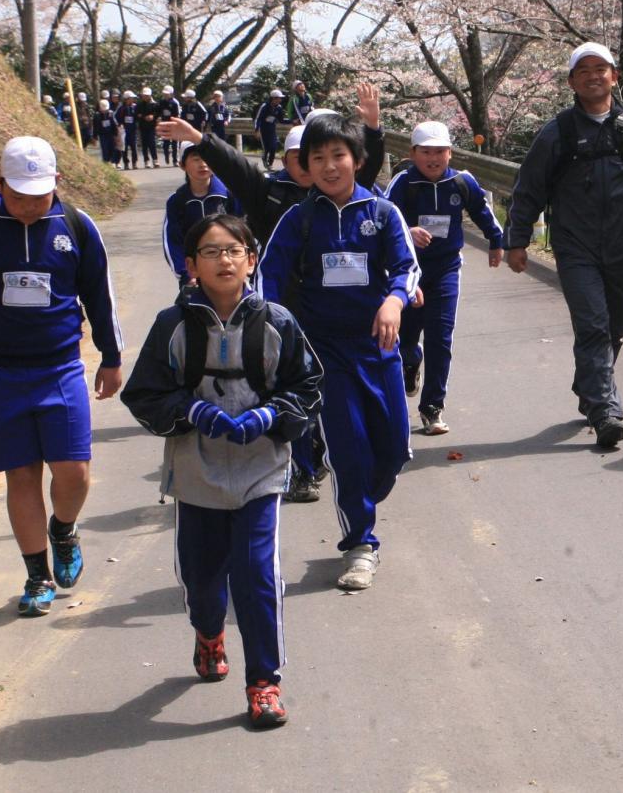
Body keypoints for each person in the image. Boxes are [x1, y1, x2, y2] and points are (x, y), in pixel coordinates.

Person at [122, 214, 322, 729]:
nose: (224, 259)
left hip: (261, 470)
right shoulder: (173, 326)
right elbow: (143, 393)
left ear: (251, 259)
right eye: (211, 252)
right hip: (196, 472)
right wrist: (193, 411)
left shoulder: (276, 322)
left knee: (256, 576)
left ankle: (264, 684)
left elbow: (307, 387)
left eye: (234, 249)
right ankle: (208, 633)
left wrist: (271, 414)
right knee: (201, 578)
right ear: (191, 266)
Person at [157, 84, 386, 504]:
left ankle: (323, 456)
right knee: (292, 394)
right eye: (305, 157)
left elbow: (364, 169)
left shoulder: (342, 195)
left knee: (335, 404)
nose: (317, 166)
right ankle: (301, 467)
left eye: (327, 156)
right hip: (283, 311)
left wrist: (372, 127)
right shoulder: (270, 195)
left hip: (335, 313)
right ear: (289, 159)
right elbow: (237, 168)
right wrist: (200, 140)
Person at [0, 136, 123, 616]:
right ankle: (36, 576)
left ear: (57, 184)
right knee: (20, 475)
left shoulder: (77, 228)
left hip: (60, 368)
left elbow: (99, 297)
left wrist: (111, 355)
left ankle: (63, 529)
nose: (28, 204)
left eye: (38, 194)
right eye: (17, 193)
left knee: (74, 470)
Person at [257, 114, 419, 590]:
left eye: (338, 156)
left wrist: (394, 299)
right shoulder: (299, 219)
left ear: (357, 160)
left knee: (392, 452)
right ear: (305, 166)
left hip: (380, 350)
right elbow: (267, 276)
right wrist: (277, 332)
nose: (329, 166)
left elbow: (406, 267)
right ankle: (360, 543)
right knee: (350, 450)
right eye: (318, 158)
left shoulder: (382, 213)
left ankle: (361, 499)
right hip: (323, 353)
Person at [504, 41, 623, 448]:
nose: (592, 75)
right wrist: (517, 240)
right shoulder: (558, 132)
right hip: (574, 246)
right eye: (583, 70)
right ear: (571, 81)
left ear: (614, 76)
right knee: (593, 326)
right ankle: (605, 412)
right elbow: (529, 188)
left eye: (600, 68)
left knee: (616, 326)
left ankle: (589, 384)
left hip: (622, 244)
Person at [385, 121, 503, 435]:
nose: (433, 158)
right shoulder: (403, 183)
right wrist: (407, 233)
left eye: (440, 151)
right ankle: (410, 361)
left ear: (450, 153)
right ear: (413, 154)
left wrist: (496, 241)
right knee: (406, 337)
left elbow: (482, 211)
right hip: (407, 272)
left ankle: (432, 407)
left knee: (440, 337)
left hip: (446, 269)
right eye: (426, 152)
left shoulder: (462, 183)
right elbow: (384, 220)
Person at [162, 142, 242, 290]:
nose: (203, 164)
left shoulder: (228, 195)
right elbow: (172, 242)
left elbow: (243, 233)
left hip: (227, 268)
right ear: (182, 165)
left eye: (207, 158)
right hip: (193, 274)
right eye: (196, 159)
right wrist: (186, 275)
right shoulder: (177, 201)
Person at [254, 89, 286, 169]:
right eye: (279, 98)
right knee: (266, 147)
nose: (280, 100)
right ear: (274, 98)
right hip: (263, 130)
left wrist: (292, 121)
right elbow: (258, 119)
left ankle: (270, 164)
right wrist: (257, 130)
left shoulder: (279, 108)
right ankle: (265, 160)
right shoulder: (265, 106)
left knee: (274, 147)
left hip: (272, 129)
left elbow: (281, 120)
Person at [158, 85, 182, 166]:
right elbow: (159, 112)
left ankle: (175, 160)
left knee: (175, 143)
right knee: (166, 142)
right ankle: (166, 155)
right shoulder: (161, 102)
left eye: (167, 94)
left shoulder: (175, 103)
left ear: (171, 94)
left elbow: (178, 114)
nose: (165, 95)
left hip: (174, 124)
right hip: (165, 124)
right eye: (164, 94)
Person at [136, 87, 160, 168]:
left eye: (147, 95)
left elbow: (158, 114)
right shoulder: (139, 105)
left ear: (150, 96)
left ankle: (155, 160)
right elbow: (137, 115)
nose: (145, 97)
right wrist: (144, 117)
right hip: (142, 127)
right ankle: (146, 161)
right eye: (144, 95)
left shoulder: (155, 104)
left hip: (152, 127)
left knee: (152, 143)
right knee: (144, 145)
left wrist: (153, 116)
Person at [115, 91, 139, 170]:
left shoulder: (135, 107)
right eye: (131, 98)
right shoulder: (121, 108)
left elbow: (137, 117)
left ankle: (134, 163)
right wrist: (120, 124)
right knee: (124, 148)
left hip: (133, 131)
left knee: (134, 148)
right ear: (126, 99)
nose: (132, 100)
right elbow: (116, 118)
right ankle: (126, 163)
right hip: (124, 131)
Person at [92, 98, 120, 166]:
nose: (105, 111)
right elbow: (95, 127)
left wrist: (116, 135)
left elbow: (114, 125)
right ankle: (106, 162)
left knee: (113, 148)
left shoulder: (111, 114)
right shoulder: (97, 116)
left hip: (111, 134)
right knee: (105, 148)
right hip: (102, 135)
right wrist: (94, 137)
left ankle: (113, 162)